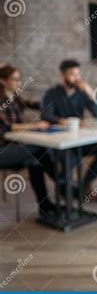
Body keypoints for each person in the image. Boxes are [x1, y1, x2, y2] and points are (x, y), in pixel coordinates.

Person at [41, 59, 97, 198]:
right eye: (72, 74)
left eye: (78, 74)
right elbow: (46, 115)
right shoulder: (51, 93)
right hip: (59, 141)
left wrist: (90, 94)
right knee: (70, 159)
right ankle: (65, 192)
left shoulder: (81, 93)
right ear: (63, 76)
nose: (76, 78)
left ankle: (85, 185)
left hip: (79, 140)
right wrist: (67, 122)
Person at [0, 65, 56, 216]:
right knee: (39, 148)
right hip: (2, 152)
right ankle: (64, 185)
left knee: (35, 161)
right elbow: (8, 127)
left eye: (19, 79)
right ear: (3, 81)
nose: (19, 82)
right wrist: (34, 125)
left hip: (13, 149)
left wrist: (50, 102)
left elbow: (35, 104)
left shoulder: (14, 98)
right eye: (15, 79)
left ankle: (46, 207)